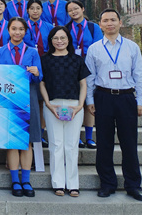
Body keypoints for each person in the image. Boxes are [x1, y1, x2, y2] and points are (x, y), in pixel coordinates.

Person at [85, 9, 142, 202]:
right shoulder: (94, 49)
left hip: (126, 98)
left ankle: (133, 185)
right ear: (100, 25)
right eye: (105, 20)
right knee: (104, 143)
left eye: (113, 20)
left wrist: (141, 100)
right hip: (103, 97)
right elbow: (90, 77)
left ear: (120, 23)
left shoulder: (131, 47)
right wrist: (90, 100)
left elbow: (140, 74)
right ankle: (107, 184)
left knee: (129, 143)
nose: (109, 23)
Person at [0, 17, 42, 198]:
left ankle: (26, 180)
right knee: (12, 140)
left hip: (28, 98)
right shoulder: (0, 52)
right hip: (9, 100)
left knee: (27, 141)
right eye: (14, 28)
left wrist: (36, 73)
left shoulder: (32, 52)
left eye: (21, 29)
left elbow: (39, 78)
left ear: (25, 32)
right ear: (8, 30)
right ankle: (15, 180)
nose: (17, 32)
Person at [40, 26, 89, 197]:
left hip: (73, 105)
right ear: (51, 41)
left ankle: (73, 184)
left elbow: (83, 84)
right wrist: (47, 103)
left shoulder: (77, 59)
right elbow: (42, 83)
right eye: (55, 38)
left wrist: (80, 105)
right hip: (53, 105)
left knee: (71, 145)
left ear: (68, 40)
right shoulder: (45, 60)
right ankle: (58, 183)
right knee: (56, 145)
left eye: (63, 38)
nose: (59, 41)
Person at [65, 0, 103, 149]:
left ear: (82, 9)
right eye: (70, 10)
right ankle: (75, 137)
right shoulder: (66, 28)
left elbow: (99, 48)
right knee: (73, 102)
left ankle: (89, 137)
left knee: (88, 102)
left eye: (76, 8)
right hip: (72, 69)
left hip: (90, 68)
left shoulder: (93, 27)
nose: (73, 12)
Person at [25, 0, 54, 147]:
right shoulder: (23, 27)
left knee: (42, 101)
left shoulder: (48, 27)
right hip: (29, 67)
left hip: (45, 65)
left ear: (42, 10)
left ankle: (41, 133)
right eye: (32, 8)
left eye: (38, 8)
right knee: (31, 100)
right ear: (27, 10)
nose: (35, 11)